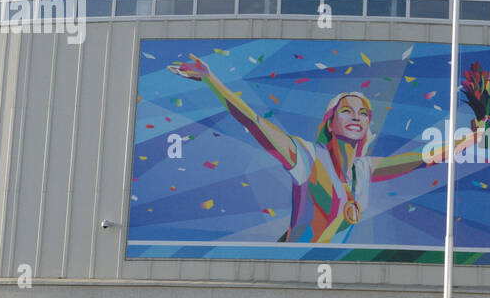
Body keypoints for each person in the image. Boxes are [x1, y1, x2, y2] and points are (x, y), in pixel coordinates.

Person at [168, 52, 473, 243]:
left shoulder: (365, 169)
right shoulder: (306, 156)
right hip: (289, 265)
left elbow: (425, 158)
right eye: (347, 110)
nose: (356, 116)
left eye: (363, 113)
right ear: (329, 122)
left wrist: (473, 137)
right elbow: (253, 122)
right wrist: (211, 80)